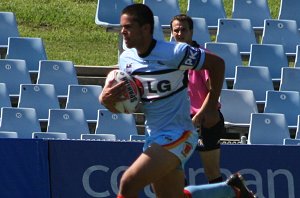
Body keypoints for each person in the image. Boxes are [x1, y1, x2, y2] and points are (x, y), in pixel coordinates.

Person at [99, 3, 253, 198]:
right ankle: (232, 190)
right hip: (153, 135)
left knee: (128, 183)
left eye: (128, 27)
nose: (122, 32)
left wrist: (212, 106)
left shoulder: (174, 52)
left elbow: (217, 64)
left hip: (179, 134)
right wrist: (106, 100)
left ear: (145, 28)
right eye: (122, 27)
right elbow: (128, 103)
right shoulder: (126, 59)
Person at [170, 14, 225, 184]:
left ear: (191, 32)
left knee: (212, 173)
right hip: (181, 121)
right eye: (176, 30)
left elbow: (213, 91)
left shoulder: (202, 58)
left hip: (205, 121)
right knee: (174, 169)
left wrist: (199, 117)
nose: (180, 34)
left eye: (183, 30)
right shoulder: (170, 59)